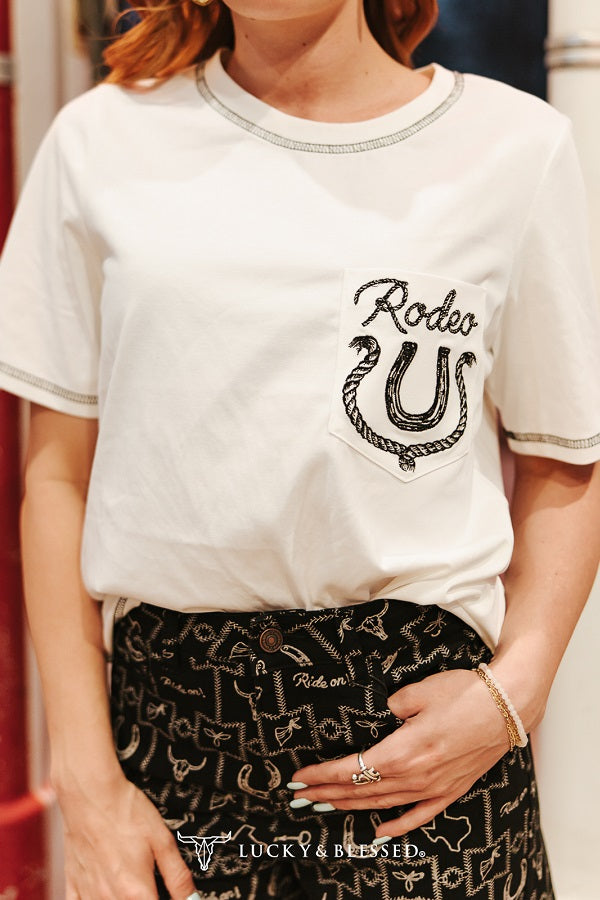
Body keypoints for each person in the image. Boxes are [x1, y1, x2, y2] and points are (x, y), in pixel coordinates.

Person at [1, 1, 599, 898]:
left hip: (425, 762)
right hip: (170, 763)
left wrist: (515, 694)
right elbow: (55, 481)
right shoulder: (100, 142)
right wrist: (86, 784)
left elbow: (564, 459)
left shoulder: (513, 147)